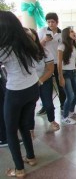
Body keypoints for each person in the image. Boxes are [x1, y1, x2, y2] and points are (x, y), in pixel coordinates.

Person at [0, 11, 40, 178]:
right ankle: (30, 157)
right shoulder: (27, 41)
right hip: (33, 88)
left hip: (16, 92)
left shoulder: (4, 48)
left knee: (10, 131)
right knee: (24, 125)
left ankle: (19, 169)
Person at [25, 28, 60, 132]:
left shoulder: (44, 51)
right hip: (28, 84)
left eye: (30, 35)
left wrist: (39, 81)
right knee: (30, 107)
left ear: (35, 36)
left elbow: (50, 70)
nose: (28, 38)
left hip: (44, 80)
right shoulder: (21, 52)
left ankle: (52, 121)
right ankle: (30, 128)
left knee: (48, 103)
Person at [38, 12, 66, 115]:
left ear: (57, 22)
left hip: (58, 62)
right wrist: (44, 40)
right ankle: (46, 106)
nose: (50, 24)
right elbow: (36, 46)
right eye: (48, 22)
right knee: (46, 86)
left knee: (61, 84)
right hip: (45, 63)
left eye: (52, 22)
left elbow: (64, 48)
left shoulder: (62, 33)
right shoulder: (42, 31)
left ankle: (63, 104)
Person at [58, 27, 76, 125]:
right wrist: (60, 77)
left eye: (74, 31)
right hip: (65, 73)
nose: (74, 32)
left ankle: (71, 111)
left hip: (73, 72)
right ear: (66, 34)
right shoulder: (62, 46)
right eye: (71, 31)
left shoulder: (74, 46)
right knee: (70, 96)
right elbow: (59, 63)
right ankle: (65, 116)